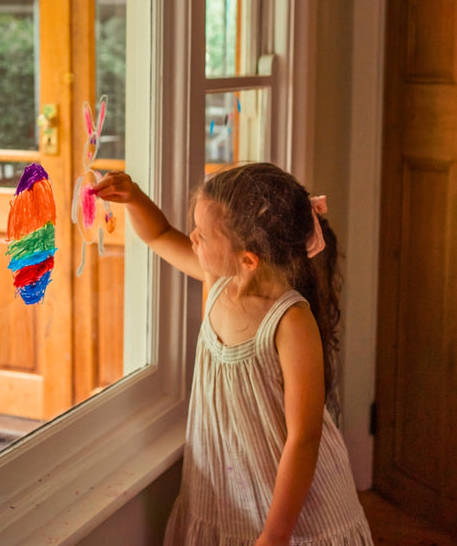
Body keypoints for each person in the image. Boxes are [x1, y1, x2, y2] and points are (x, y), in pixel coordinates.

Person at [94, 163, 373, 545]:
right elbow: (159, 235)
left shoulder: (290, 321)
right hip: (227, 492)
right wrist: (135, 198)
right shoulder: (219, 281)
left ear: (248, 259)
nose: (192, 238)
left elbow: (304, 438)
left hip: (290, 507)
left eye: (203, 236)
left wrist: (276, 534)